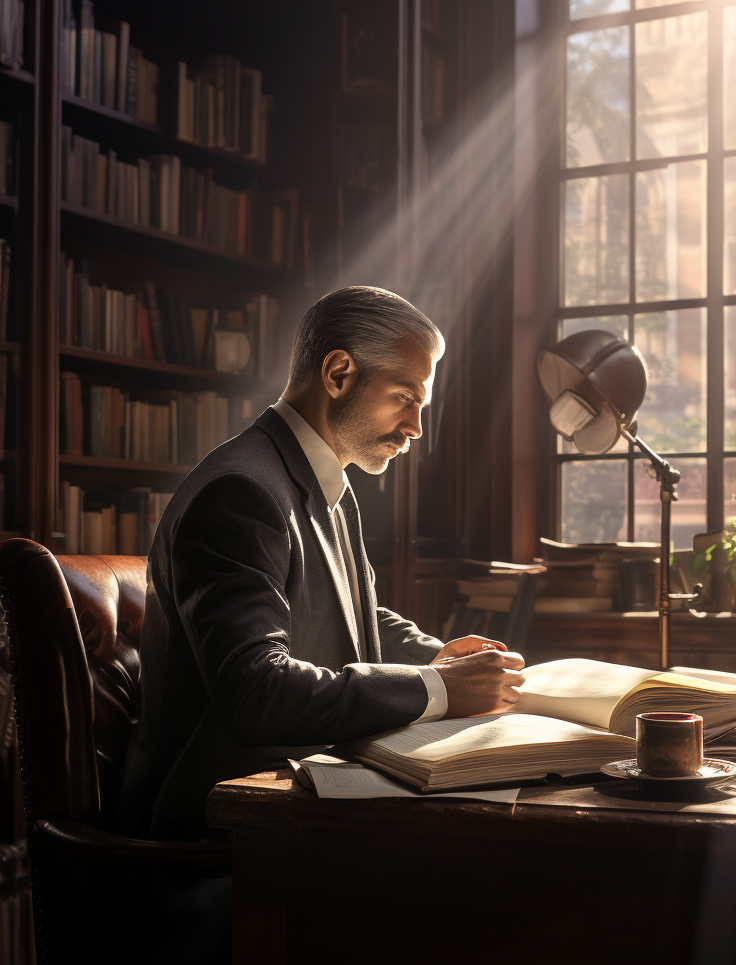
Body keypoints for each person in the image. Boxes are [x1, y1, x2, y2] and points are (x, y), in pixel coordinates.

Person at [119, 286, 525, 841]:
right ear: (338, 373)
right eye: (405, 397)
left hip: (301, 807)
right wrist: (442, 689)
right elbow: (255, 691)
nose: (415, 428)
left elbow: (348, 610)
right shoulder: (240, 490)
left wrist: (438, 657)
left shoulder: (323, 480)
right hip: (223, 836)